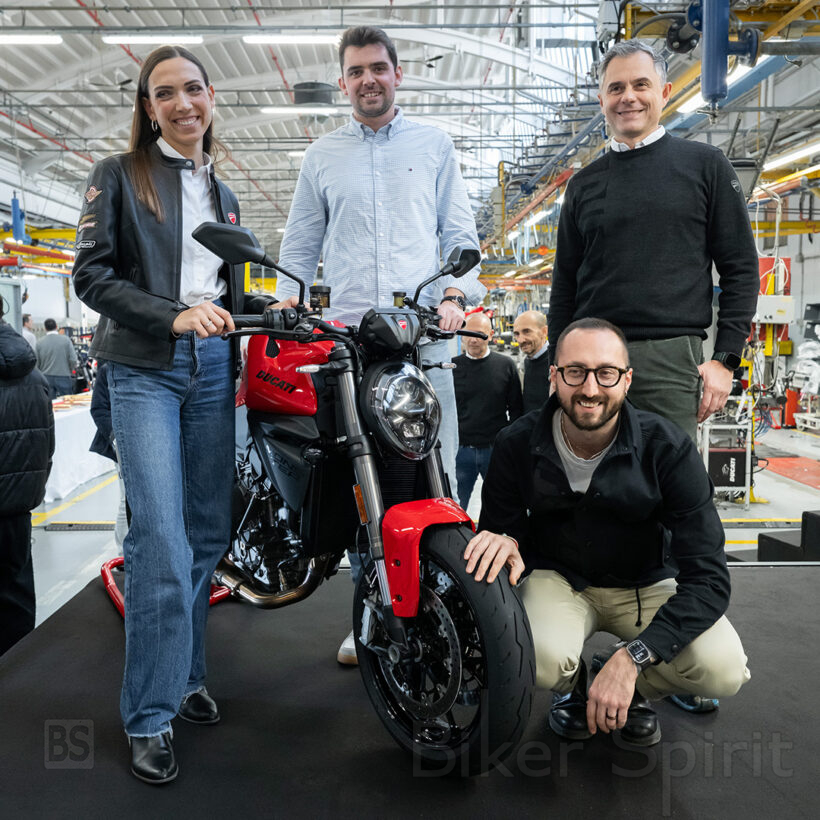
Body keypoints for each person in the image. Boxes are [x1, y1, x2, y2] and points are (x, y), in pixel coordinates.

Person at [72, 46, 295, 785]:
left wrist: (269, 303)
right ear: (148, 107)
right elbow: (91, 276)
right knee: (160, 541)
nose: (182, 103)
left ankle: (186, 676)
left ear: (211, 96)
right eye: (164, 93)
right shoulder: (118, 175)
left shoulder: (223, 193)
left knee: (206, 534)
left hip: (211, 371)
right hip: (143, 369)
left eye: (192, 89)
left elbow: (226, 288)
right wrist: (171, 316)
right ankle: (149, 713)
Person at [275, 26, 485, 665]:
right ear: (343, 83)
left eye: (378, 68)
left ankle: (448, 616)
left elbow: (460, 236)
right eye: (356, 71)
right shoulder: (322, 156)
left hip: (424, 343)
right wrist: (287, 299)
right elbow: (301, 241)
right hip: (348, 350)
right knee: (363, 487)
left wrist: (455, 297)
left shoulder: (435, 146)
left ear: (398, 74)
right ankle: (372, 617)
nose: (368, 79)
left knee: (436, 476)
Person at [463, 318, 750, 746]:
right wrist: (505, 540)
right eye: (575, 372)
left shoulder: (668, 449)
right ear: (554, 376)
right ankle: (579, 688)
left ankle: (627, 687)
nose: (591, 388)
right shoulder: (515, 443)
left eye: (606, 373)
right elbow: (502, 533)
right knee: (532, 657)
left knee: (723, 669)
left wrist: (634, 659)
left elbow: (709, 578)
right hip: (559, 579)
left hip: (646, 583)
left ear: (627, 379)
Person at [547, 39, 759, 442]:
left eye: (640, 85)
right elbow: (565, 285)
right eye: (616, 88)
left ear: (664, 93)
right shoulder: (583, 185)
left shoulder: (706, 166)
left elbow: (742, 268)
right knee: (588, 473)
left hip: (671, 361)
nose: (628, 97)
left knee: (670, 475)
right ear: (602, 100)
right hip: (592, 361)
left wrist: (726, 359)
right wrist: (559, 365)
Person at [0, 309, 54, 656]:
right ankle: (17, 673)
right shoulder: (34, 376)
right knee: (16, 599)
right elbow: (46, 445)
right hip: (16, 510)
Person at [452, 311, 522, 509]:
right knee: (457, 505)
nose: (473, 340)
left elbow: (516, 409)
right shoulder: (452, 367)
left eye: (479, 334)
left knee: (500, 504)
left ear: (491, 335)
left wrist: (508, 446)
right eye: (468, 334)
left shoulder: (506, 366)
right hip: (461, 451)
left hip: (494, 450)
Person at [89, 362, 128, 552]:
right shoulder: (108, 369)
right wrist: (116, 437)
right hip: (122, 444)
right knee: (127, 499)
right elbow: (98, 408)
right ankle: (122, 552)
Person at [513, 310, 549, 413]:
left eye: (526, 332)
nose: (520, 340)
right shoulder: (528, 361)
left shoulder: (557, 361)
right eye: (517, 334)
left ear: (544, 332)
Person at [36, 318, 78, 399]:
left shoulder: (39, 342)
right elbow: (73, 359)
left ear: (45, 328)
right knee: (67, 401)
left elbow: (37, 362)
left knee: (49, 403)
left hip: (46, 377)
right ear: (56, 327)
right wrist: (69, 370)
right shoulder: (66, 340)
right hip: (64, 375)